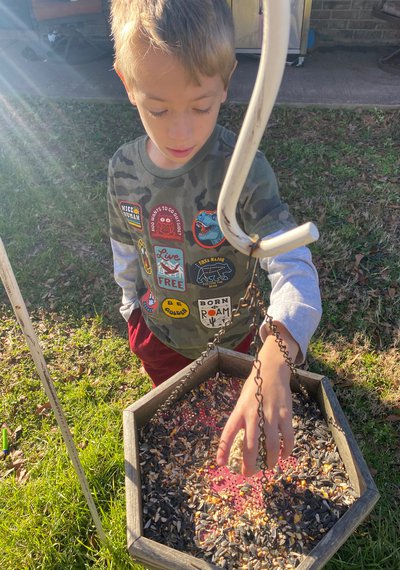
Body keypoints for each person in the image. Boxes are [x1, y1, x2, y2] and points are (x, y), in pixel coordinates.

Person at [108, 0, 322, 476]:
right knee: (182, 421)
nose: (180, 130)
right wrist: (130, 309)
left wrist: (278, 348)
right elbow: (126, 246)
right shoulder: (122, 170)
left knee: (235, 427)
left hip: (237, 342)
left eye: (201, 106)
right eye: (157, 108)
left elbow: (294, 266)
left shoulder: (242, 170)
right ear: (127, 83)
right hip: (159, 336)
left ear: (226, 80)